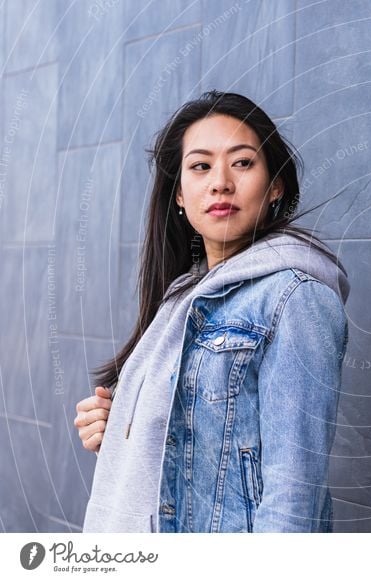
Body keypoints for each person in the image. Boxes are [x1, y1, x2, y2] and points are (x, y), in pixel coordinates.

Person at [73, 91, 350, 533]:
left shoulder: (296, 298)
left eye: (242, 162)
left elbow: (294, 493)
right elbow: (202, 440)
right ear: (179, 195)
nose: (220, 181)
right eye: (200, 166)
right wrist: (130, 424)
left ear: (275, 184)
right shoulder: (183, 298)